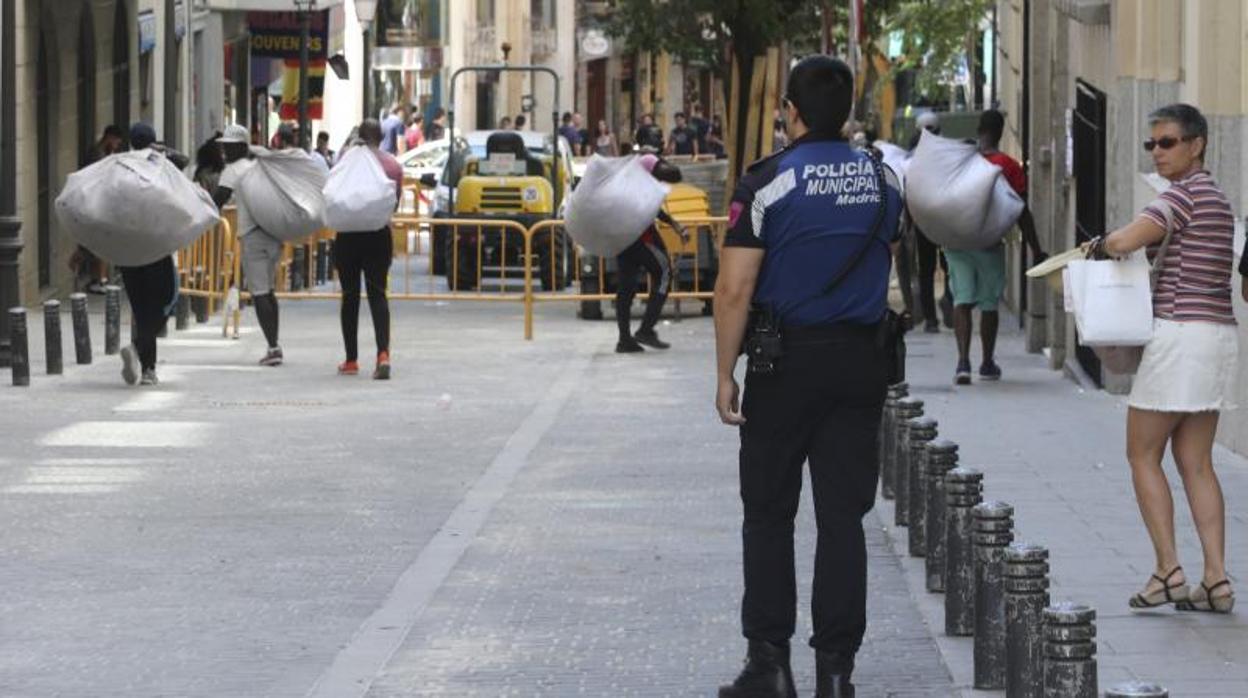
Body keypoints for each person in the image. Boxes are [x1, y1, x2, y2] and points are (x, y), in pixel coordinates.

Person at [713, 55, 902, 698]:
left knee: (768, 514)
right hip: (860, 366)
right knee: (843, 519)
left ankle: (770, 665)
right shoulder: (884, 182)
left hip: (784, 364)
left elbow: (734, 290)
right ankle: (837, 672)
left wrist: (724, 374)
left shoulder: (767, 183)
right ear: (847, 111)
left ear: (789, 111)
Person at [1089, 103, 1237, 614]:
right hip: (1217, 336)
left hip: (1178, 337)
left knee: (1141, 454)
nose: (1158, 152)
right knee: (1196, 463)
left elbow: (1128, 239)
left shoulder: (1181, 196)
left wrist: (1103, 243)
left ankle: (1168, 569)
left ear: (1196, 144)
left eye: (1167, 142)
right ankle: (1215, 579)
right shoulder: (1217, 197)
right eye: (1152, 144)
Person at [945, 109, 1046, 384]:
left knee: (962, 299)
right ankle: (987, 362)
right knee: (989, 304)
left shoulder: (963, 161)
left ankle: (962, 363)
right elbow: (1022, 211)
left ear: (979, 129)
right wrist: (1036, 249)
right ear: (1000, 132)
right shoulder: (1007, 165)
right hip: (988, 243)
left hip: (956, 242)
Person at [334, 118, 402, 380]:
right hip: (378, 236)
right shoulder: (392, 165)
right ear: (382, 136)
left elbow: (333, 190)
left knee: (349, 296)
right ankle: (382, 354)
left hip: (348, 237)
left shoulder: (345, 161)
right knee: (378, 294)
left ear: (359, 136)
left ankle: (351, 360)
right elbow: (392, 205)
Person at [214, 123, 286, 367]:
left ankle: (273, 347)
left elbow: (217, 201)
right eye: (224, 146)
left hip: (253, 237)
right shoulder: (258, 166)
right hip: (273, 234)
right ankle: (274, 343)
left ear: (242, 148)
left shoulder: (232, 171)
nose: (225, 151)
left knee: (260, 293)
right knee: (269, 292)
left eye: (229, 147)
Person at [116, 123, 182, 387]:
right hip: (155, 248)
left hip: (128, 250)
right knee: (165, 300)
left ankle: (144, 362)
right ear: (153, 141)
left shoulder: (120, 167)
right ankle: (145, 364)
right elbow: (184, 161)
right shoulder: (161, 165)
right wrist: (161, 150)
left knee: (141, 308)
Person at [615, 154, 688, 354]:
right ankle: (646, 330)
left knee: (626, 288)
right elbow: (673, 175)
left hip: (622, 240)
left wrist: (675, 225)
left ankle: (624, 339)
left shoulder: (625, 179)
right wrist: (676, 226)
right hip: (642, 239)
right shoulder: (646, 161)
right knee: (665, 274)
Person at [73, 125, 127, 294]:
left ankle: (96, 277)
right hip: (95, 203)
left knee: (96, 243)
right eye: (117, 141)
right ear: (110, 137)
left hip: (100, 202)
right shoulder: (97, 154)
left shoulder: (104, 153)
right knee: (101, 242)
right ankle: (99, 279)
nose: (117, 145)